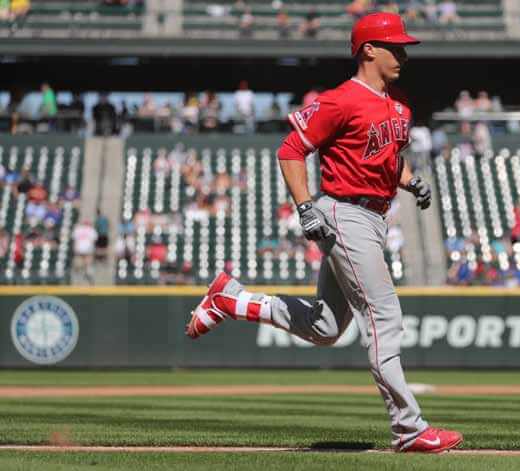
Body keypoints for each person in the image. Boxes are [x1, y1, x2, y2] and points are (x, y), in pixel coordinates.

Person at [185, 12, 462, 454]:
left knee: (326, 326)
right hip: (345, 213)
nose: (405, 55)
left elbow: (386, 156)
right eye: (397, 46)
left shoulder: (399, 105)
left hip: (374, 216)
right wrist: (306, 206)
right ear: (369, 49)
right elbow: (291, 149)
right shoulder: (340, 100)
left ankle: (231, 299)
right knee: (384, 316)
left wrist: (408, 179)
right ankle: (409, 429)